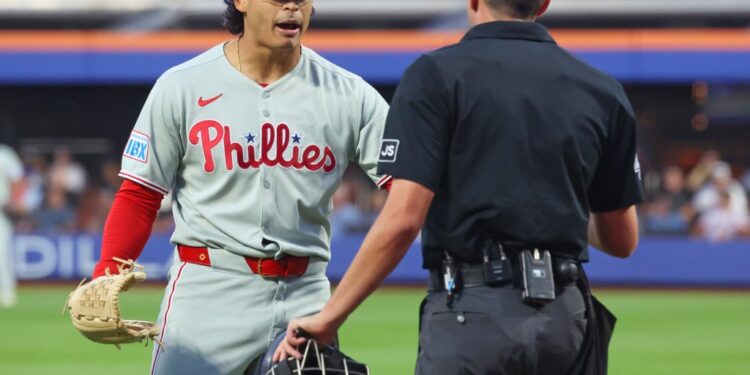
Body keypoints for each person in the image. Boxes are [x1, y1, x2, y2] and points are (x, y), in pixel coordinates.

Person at [275, 0, 644, 374]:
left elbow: (404, 218)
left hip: (473, 314)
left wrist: (330, 317)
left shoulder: (435, 74)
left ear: (473, 1)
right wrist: (552, 202)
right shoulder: (601, 88)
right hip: (566, 320)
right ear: (544, 4)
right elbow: (622, 239)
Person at [90, 0, 391, 374]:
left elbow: (410, 191)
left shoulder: (350, 94)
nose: (293, 7)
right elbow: (140, 193)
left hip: (305, 294)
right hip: (207, 293)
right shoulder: (183, 85)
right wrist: (107, 271)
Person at [0, 142, 23, 308]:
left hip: (1, 210)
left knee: (2, 253)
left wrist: (15, 201)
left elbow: (17, 180)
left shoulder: (5, 154)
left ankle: (7, 292)